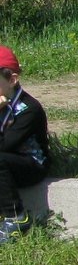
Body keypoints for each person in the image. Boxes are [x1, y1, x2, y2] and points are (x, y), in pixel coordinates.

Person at [0, 45, 51, 243]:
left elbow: (5, 147)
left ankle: (16, 217)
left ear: (12, 79)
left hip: (31, 164)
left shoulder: (29, 109)